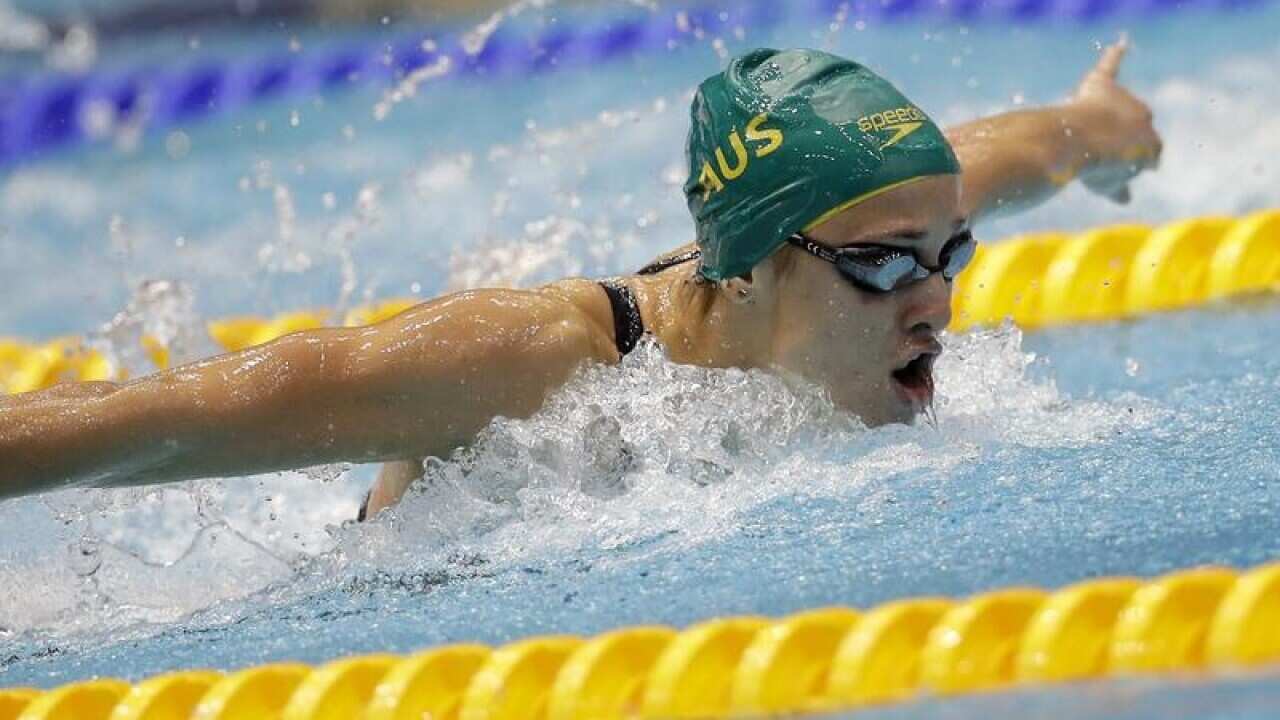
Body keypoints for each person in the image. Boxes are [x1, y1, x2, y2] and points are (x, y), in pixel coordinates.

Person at [0, 43, 1160, 514]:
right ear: (743, 268)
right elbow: (145, 423)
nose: (935, 296)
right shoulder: (535, 363)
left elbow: (1033, 143)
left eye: (948, 252)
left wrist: (1102, 126)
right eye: (882, 266)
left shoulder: (894, 212)